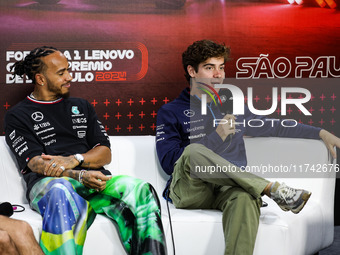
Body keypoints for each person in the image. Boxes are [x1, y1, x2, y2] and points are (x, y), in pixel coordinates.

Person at [155, 39, 340, 255]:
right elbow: (169, 162)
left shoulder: (233, 106)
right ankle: (269, 188)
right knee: (194, 151)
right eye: (209, 67)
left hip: (228, 189)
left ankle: (259, 190)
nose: (218, 75)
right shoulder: (171, 111)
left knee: (245, 197)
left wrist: (318, 131)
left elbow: (274, 126)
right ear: (191, 71)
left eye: (221, 67)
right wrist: (216, 136)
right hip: (191, 190)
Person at [4, 46, 167, 255]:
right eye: (61, 73)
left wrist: (75, 159)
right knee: (61, 191)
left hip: (94, 180)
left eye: (68, 70)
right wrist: (79, 174)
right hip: (51, 185)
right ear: (41, 79)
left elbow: (104, 153)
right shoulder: (17, 115)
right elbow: (36, 163)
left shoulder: (82, 106)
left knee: (141, 189)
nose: (69, 77)